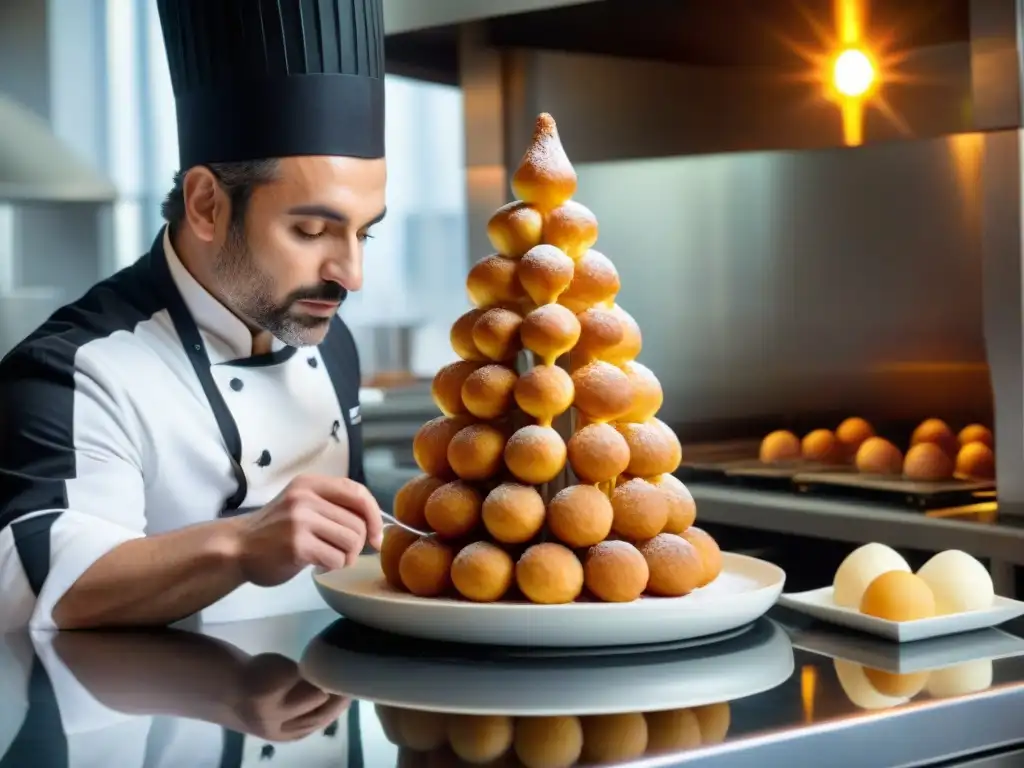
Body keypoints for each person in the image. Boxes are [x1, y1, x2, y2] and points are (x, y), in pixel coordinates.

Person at [0, 0, 388, 630]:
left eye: (364, 235)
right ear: (207, 205)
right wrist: (239, 544)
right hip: (139, 720)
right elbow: (37, 584)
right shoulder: (76, 371)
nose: (351, 275)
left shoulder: (330, 341)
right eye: (313, 229)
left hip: (326, 693)